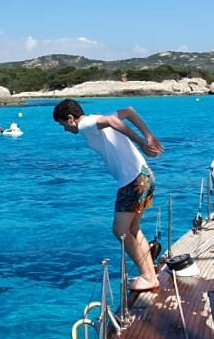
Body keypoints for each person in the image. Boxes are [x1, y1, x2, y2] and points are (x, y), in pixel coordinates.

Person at [53, 98, 164, 291]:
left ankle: (148, 276)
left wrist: (141, 142)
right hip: (145, 175)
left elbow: (114, 121)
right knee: (132, 229)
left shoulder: (86, 124)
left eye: (63, 124)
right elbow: (128, 111)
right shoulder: (96, 119)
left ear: (71, 119)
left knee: (120, 231)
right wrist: (149, 136)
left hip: (133, 180)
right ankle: (149, 273)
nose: (65, 130)